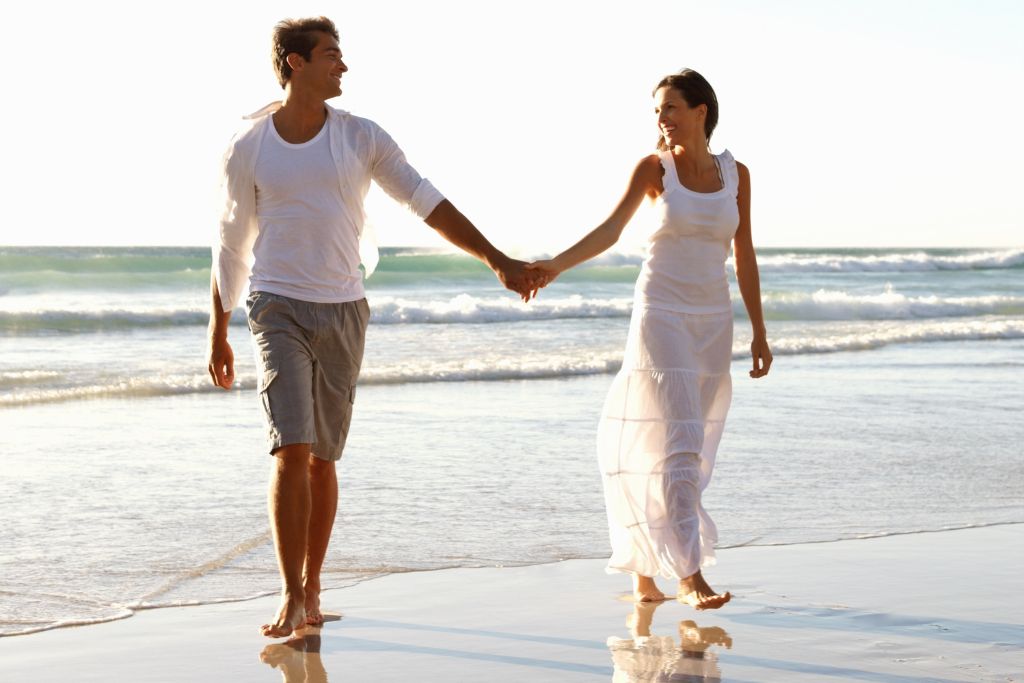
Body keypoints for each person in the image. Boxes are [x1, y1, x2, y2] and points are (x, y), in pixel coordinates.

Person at [206, 16, 539, 638]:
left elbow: (425, 199)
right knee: (291, 448)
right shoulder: (249, 146)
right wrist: (217, 326)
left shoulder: (360, 137)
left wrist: (496, 257)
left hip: (343, 307)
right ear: (294, 62)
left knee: (323, 459)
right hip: (275, 302)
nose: (344, 66)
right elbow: (230, 240)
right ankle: (289, 594)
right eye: (332, 55)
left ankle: (312, 585)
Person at [527, 69, 772, 608]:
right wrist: (554, 267)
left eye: (670, 108)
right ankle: (688, 575)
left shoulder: (737, 175)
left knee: (683, 444)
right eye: (657, 111)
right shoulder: (654, 169)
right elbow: (611, 231)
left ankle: (644, 570)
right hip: (660, 312)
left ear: (700, 110)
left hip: (712, 319)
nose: (661, 119)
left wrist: (759, 329)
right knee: (681, 443)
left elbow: (745, 254)